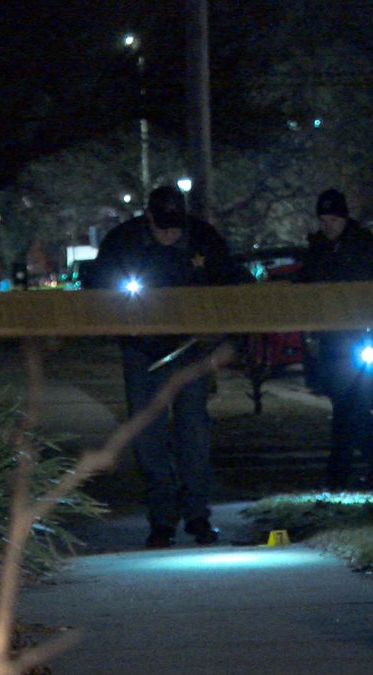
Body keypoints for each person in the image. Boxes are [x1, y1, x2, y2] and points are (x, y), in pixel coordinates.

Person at [82, 185, 247, 548]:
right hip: (143, 351)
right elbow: (94, 285)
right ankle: (161, 520)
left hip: (192, 349)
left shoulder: (204, 238)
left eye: (176, 228)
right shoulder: (124, 241)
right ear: (149, 217)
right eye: (164, 228)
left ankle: (197, 515)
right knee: (149, 437)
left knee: (194, 434)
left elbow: (233, 283)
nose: (171, 236)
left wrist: (229, 335)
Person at [297, 188, 373, 490]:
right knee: (347, 405)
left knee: (348, 405)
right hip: (331, 337)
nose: (327, 224)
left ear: (344, 218)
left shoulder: (364, 247)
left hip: (356, 335)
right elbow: (307, 285)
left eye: (332, 218)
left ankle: (345, 469)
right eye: (323, 219)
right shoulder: (320, 249)